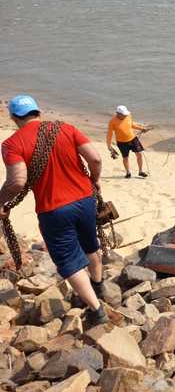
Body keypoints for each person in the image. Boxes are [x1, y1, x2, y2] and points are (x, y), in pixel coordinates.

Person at [0, 94, 108, 325]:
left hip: (53, 209)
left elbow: (17, 182)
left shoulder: (11, 144)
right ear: (38, 112)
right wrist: (95, 180)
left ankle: (96, 310)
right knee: (91, 245)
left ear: (13, 117)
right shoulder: (66, 128)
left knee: (69, 261)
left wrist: (1, 202)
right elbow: (95, 159)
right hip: (85, 199)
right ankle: (99, 286)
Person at [106, 105, 149, 179]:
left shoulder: (128, 116)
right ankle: (128, 173)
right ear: (118, 114)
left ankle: (140, 171)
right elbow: (109, 135)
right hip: (121, 142)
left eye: (126, 114)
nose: (125, 115)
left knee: (139, 154)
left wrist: (141, 128)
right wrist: (109, 147)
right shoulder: (112, 122)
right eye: (124, 115)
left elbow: (132, 124)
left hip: (133, 139)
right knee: (125, 157)